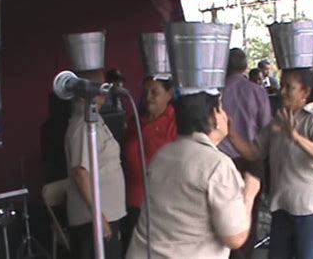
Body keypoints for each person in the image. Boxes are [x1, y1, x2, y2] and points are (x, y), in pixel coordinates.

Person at [126, 92, 261, 258]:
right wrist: (249, 195)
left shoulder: (163, 154)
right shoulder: (217, 164)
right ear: (214, 118)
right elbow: (235, 237)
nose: (226, 115)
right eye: (221, 109)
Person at [228, 68, 313, 259]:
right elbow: (254, 152)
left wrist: (295, 137)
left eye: (289, 87)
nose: (282, 91)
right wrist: (229, 131)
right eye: (282, 85)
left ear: (305, 92)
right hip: (282, 205)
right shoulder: (279, 119)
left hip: (310, 208)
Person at [65, 70, 126, 259]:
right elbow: (80, 172)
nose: (104, 94)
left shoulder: (95, 119)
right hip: (93, 220)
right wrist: (98, 216)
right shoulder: (82, 125)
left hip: (108, 215)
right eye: (99, 89)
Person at [220, 48, 272, 259]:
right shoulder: (256, 91)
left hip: (221, 162)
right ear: (244, 67)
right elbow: (266, 128)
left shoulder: (217, 91)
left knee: (221, 216)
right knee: (247, 216)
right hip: (251, 161)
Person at [122, 75, 177, 248]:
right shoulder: (135, 120)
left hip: (161, 204)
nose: (148, 97)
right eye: (145, 92)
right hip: (132, 201)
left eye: (155, 92)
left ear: (169, 94)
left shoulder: (175, 122)